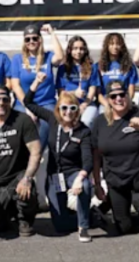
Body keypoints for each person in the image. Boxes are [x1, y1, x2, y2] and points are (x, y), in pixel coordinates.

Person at [92, 80, 139, 250]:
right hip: (116, 179)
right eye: (113, 96)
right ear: (109, 100)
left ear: (128, 95)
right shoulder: (100, 122)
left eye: (122, 94)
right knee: (123, 227)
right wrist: (97, 183)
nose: (119, 98)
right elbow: (96, 155)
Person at [26, 73, 93, 242]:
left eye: (72, 108)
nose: (68, 112)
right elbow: (28, 102)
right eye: (64, 108)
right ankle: (90, 217)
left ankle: (83, 226)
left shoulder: (83, 131)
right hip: (55, 175)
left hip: (73, 174)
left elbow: (88, 161)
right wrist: (36, 82)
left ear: (77, 110)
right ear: (58, 110)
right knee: (60, 225)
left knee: (84, 186)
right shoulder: (52, 119)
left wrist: (80, 178)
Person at [0, 84, 42, 236]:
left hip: (18, 177)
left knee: (26, 191)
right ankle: (6, 213)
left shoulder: (23, 120)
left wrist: (27, 177)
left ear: (10, 100)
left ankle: (23, 219)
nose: (1, 103)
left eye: (5, 99)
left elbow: (36, 151)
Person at [9, 24, 65, 150]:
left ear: (40, 40)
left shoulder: (48, 56)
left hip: (46, 102)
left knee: (50, 121)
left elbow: (60, 57)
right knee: (21, 121)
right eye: (27, 39)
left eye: (34, 38)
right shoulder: (17, 59)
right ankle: (25, 154)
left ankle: (37, 153)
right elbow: (15, 85)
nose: (31, 42)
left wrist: (52, 33)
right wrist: (28, 108)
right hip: (23, 103)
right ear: (24, 42)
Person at [56, 35, 99, 128]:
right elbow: (61, 93)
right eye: (75, 48)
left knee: (86, 121)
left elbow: (92, 90)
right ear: (69, 50)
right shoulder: (62, 68)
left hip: (87, 103)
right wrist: (74, 93)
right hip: (67, 104)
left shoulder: (92, 67)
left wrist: (84, 104)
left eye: (81, 48)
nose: (78, 51)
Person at [94, 33, 137, 110]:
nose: (115, 47)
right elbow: (98, 93)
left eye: (118, 44)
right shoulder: (98, 66)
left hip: (123, 101)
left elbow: (131, 90)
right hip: (105, 102)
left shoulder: (129, 66)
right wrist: (107, 105)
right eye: (111, 44)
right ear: (106, 46)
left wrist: (125, 103)